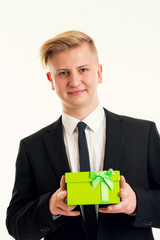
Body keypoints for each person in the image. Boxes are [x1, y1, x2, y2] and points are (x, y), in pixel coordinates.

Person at [6, 30, 160, 240]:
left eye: (83, 69)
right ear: (51, 80)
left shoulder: (143, 133)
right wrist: (50, 207)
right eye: (63, 73)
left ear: (99, 73)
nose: (75, 81)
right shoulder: (32, 147)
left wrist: (136, 203)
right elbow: (16, 225)